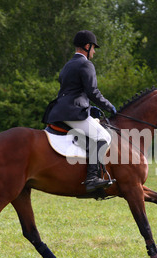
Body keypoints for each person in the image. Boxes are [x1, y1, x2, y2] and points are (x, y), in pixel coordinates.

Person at [46, 30, 117, 192]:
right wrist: (109, 106)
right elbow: (93, 92)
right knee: (103, 136)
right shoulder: (86, 64)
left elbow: (73, 92)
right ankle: (92, 177)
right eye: (93, 48)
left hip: (58, 111)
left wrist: (89, 108)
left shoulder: (67, 65)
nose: (94, 52)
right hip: (73, 112)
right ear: (87, 46)